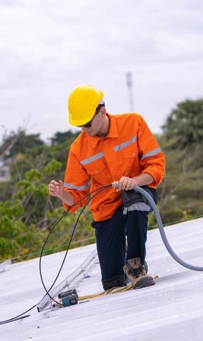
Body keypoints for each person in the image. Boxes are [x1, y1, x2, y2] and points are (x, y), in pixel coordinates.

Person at [48, 85, 165, 291]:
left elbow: (156, 166)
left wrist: (135, 181)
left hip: (139, 192)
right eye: (79, 125)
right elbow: (78, 199)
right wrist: (62, 194)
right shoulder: (78, 149)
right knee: (112, 282)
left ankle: (136, 268)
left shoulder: (133, 123)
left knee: (134, 201)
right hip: (107, 207)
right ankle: (122, 259)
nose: (84, 129)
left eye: (87, 122)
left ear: (102, 111)